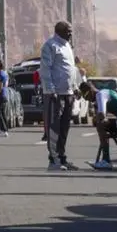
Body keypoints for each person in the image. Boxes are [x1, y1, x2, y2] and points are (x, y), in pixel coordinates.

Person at [39, 20, 80, 171]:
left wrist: (75, 87)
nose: (70, 34)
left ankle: (62, 158)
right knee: (54, 128)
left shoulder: (68, 46)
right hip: (55, 95)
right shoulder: (50, 45)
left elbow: (71, 69)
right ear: (59, 31)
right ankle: (54, 160)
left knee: (64, 128)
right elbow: (45, 70)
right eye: (68, 31)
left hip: (68, 93)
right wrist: (51, 90)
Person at [79, 81, 117, 170]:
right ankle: (104, 159)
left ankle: (106, 161)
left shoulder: (100, 95)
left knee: (101, 124)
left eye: (86, 96)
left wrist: (97, 118)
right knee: (104, 123)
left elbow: (102, 115)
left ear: (91, 91)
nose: (87, 100)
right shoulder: (106, 92)